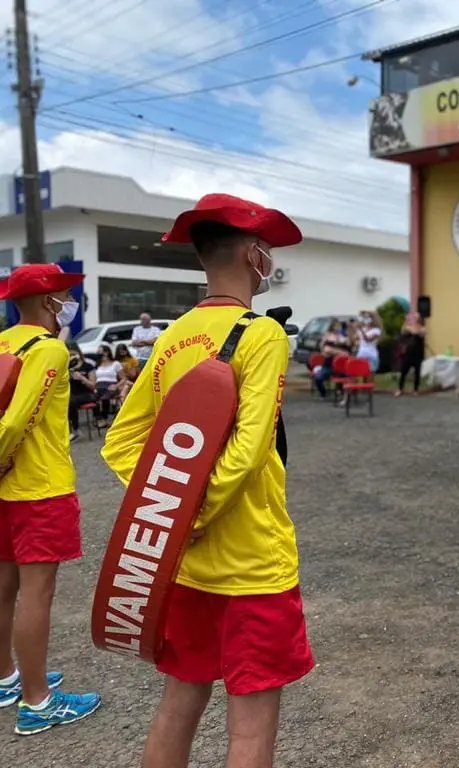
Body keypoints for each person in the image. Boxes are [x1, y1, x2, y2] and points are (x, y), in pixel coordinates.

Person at [101, 193, 314, 768]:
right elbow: (250, 447)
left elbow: (119, 441)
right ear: (253, 256)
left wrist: (167, 510)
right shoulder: (263, 335)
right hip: (253, 566)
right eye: (265, 250)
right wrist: (193, 510)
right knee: (248, 731)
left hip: (186, 568)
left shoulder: (172, 337)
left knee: (177, 706)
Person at [0, 263, 101, 735]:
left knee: (4, 589)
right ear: (48, 302)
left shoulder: (2, 342)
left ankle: (7, 678)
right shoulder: (49, 349)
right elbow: (18, 421)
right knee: (36, 595)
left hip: (6, 492)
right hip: (39, 487)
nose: (68, 302)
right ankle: (38, 702)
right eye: (65, 294)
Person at [66, 342, 97, 443]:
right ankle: (68, 431)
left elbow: (93, 385)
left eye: (73, 354)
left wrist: (82, 378)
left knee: (71, 402)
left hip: (87, 394)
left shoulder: (88, 366)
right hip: (72, 395)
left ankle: (75, 430)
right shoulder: (67, 368)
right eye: (69, 355)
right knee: (65, 402)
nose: (71, 357)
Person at [313, 318, 350, 400]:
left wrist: (334, 350)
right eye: (336, 326)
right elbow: (324, 350)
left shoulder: (342, 336)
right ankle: (323, 394)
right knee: (318, 378)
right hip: (328, 364)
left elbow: (346, 352)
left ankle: (341, 392)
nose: (338, 328)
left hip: (341, 366)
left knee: (346, 377)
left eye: (339, 326)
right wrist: (336, 350)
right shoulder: (327, 336)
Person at [93, 344, 124, 427]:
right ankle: (99, 419)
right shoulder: (97, 365)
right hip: (99, 386)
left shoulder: (115, 364)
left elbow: (124, 378)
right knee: (92, 399)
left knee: (105, 398)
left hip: (111, 385)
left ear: (106, 352)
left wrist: (116, 386)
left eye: (100, 351)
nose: (98, 353)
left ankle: (105, 418)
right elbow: (95, 378)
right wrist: (94, 387)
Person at [395, 311, 426, 397]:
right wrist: (406, 321)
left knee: (417, 372)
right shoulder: (407, 327)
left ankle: (415, 390)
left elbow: (417, 333)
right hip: (408, 353)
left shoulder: (422, 328)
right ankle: (400, 389)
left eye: (416, 317)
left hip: (418, 354)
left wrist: (412, 328)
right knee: (404, 371)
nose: (414, 318)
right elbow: (403, 332)